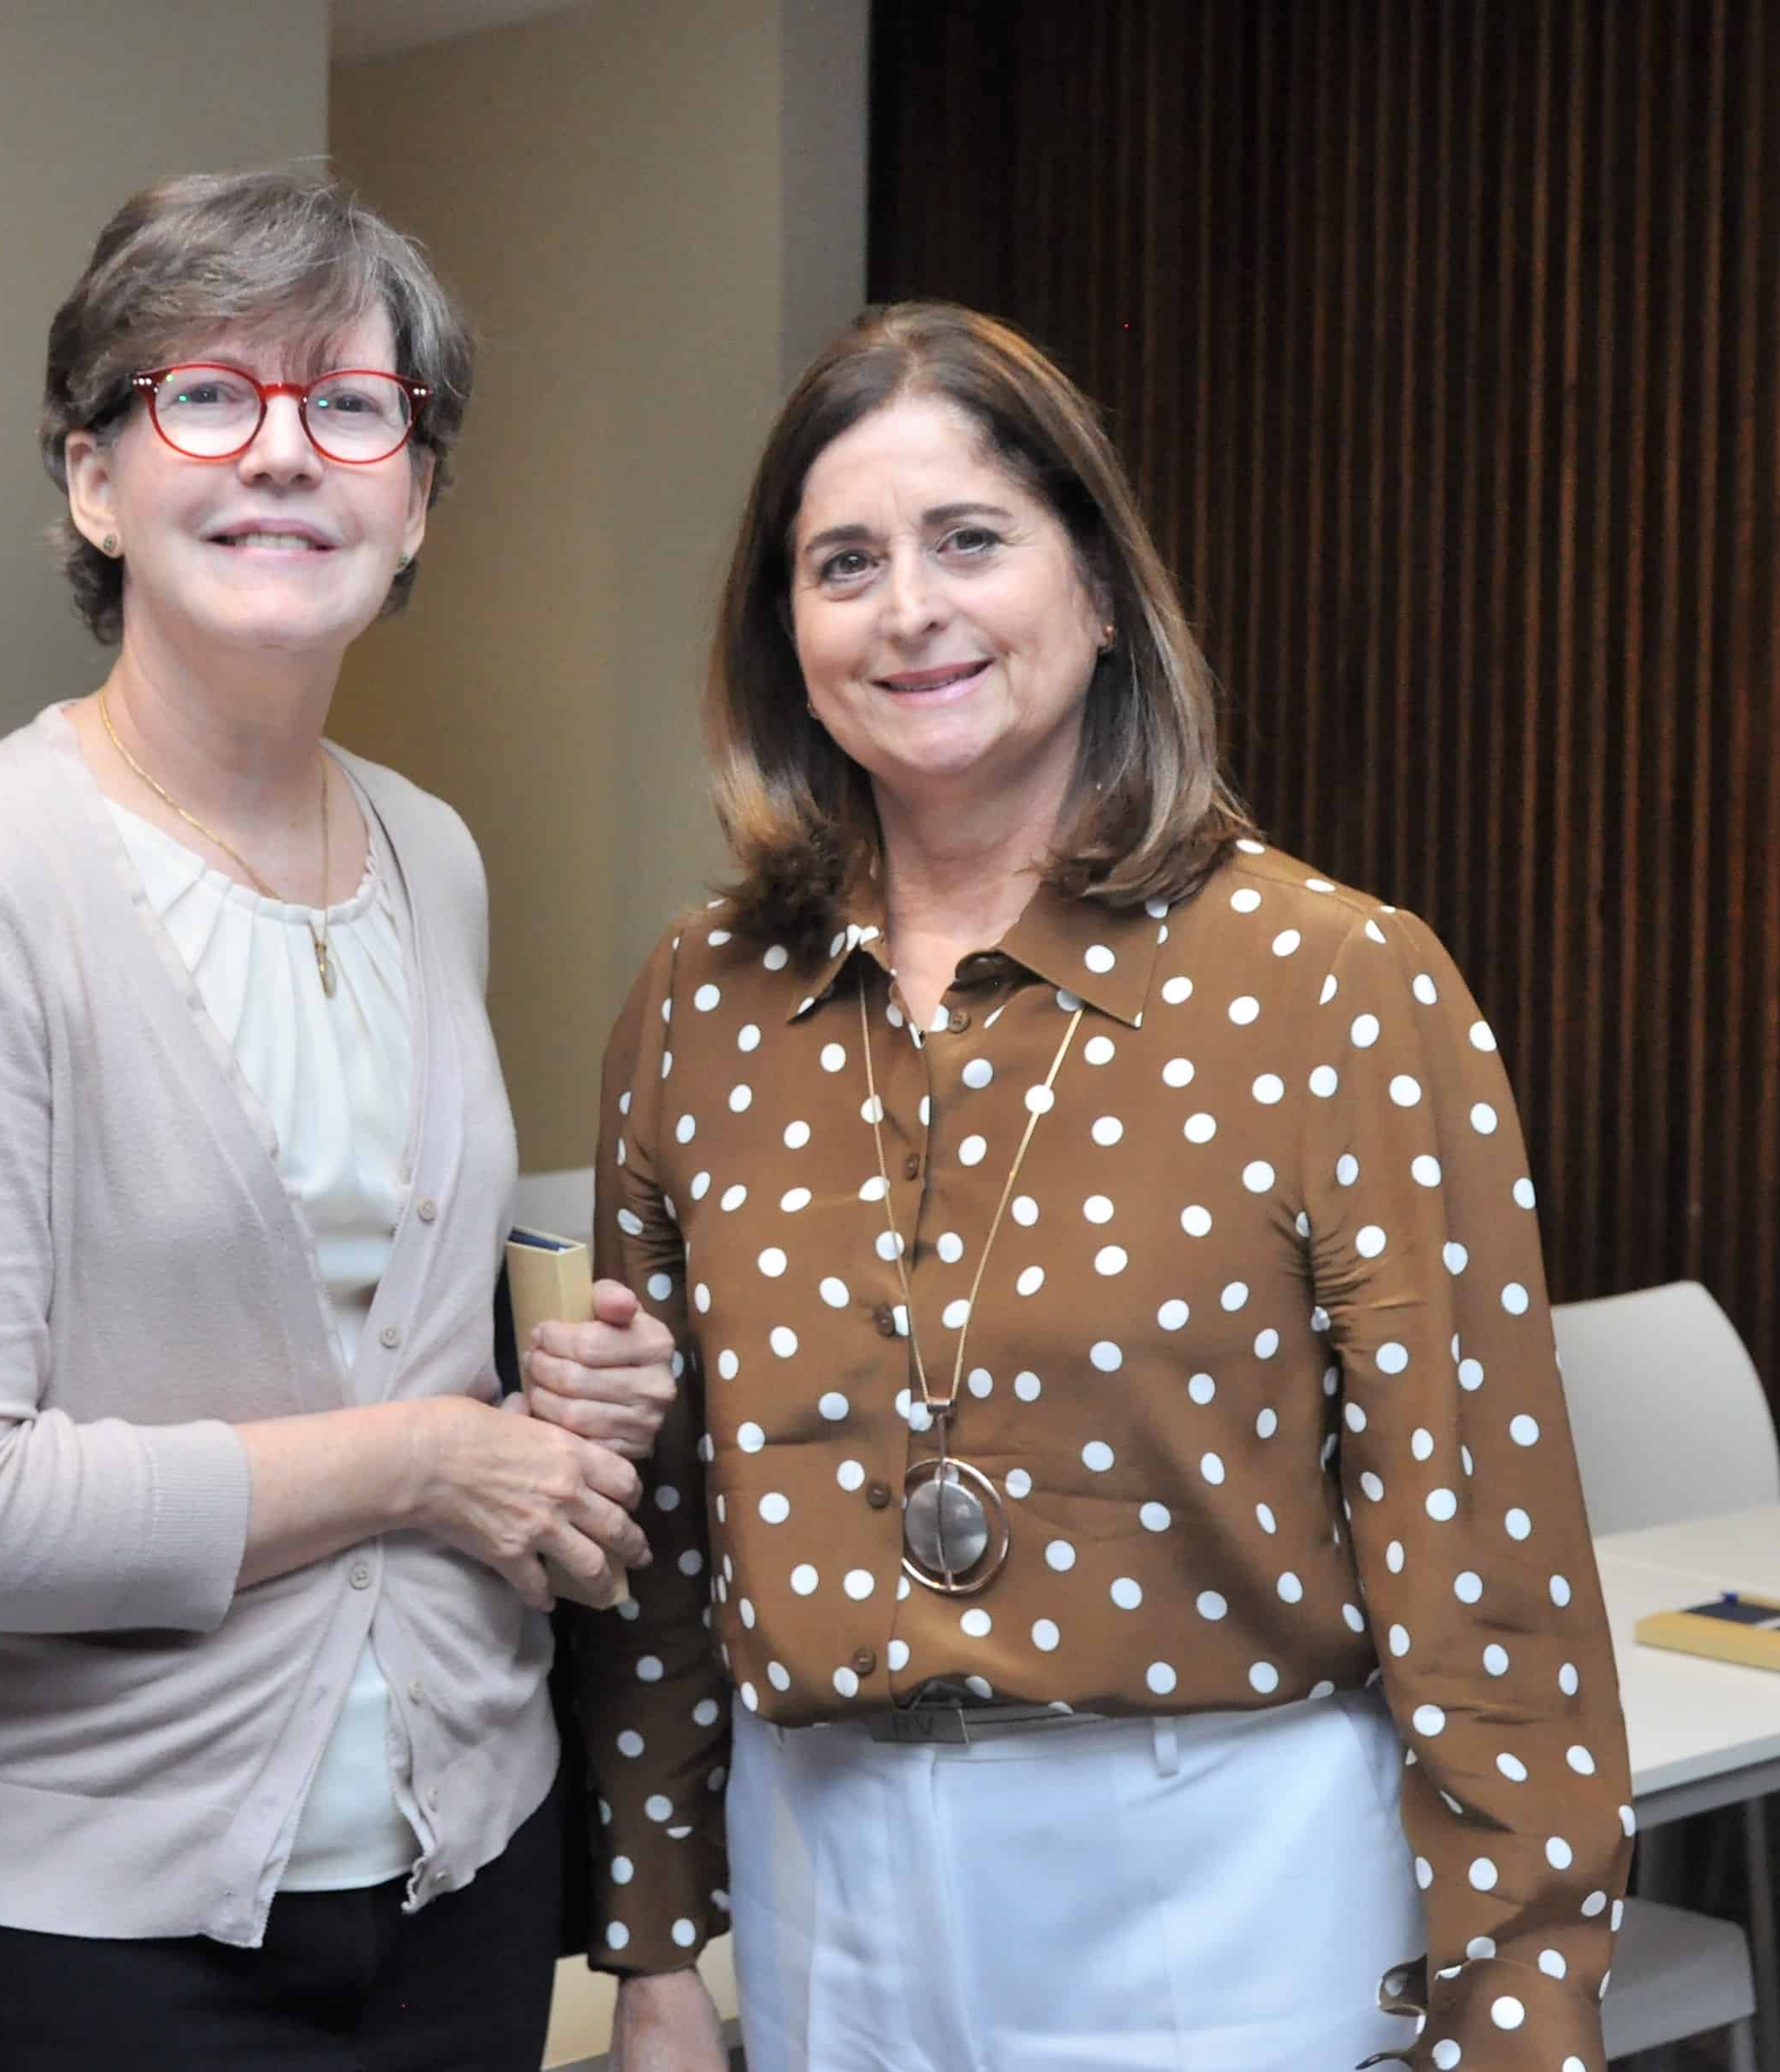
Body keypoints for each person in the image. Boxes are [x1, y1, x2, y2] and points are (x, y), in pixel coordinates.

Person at [546, 302, 1635, 2070]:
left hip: (1222, 1875)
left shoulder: (1334, 982)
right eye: (844, 563)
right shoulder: (700, 1003)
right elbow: (663, 1528)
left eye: (971, 538)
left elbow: (1482, 1556)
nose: (910, 609)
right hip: (825, 1877)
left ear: (1103, 590)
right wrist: (657, 1953)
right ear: (787, 639)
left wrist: (1517, 2011)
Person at [0, 167, 675, 2072]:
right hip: (73, 1932)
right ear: (95, 481)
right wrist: (427, 1460)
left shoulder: (433, 855)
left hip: (463, 1876)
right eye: (207, 395)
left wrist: (548, 1404)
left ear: (414, 499)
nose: (283, 453)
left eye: (350, 406)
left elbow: (389, 1340)